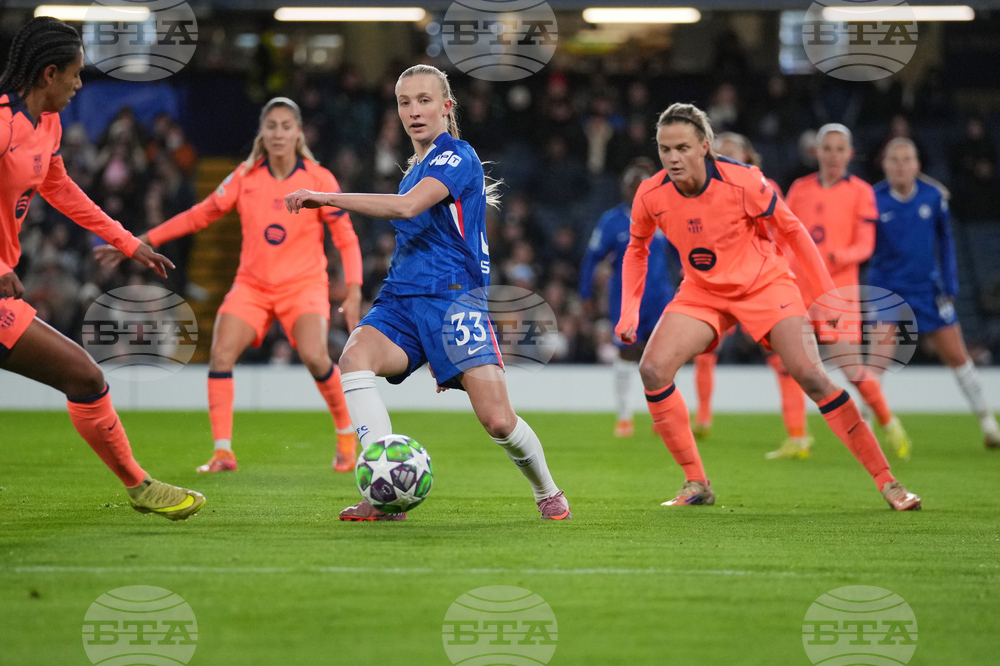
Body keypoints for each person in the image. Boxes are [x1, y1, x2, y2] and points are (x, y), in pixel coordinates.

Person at [286, 64, 571, 522]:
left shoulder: (458, 157)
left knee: (498, 421)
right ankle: (385, 494)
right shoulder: (412, 170)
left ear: (446, 106)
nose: (414, 111)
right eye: (404, 102)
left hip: (453, 303)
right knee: (354, 359)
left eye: (424, 100)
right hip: (401, 300)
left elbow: (407, 207)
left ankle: (548, 491)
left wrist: (328, 197)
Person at [617, 103, 920, 511]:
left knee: (812, 377)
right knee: (652, 370)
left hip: (764, 285)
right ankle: (696, 483)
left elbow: (793, 232)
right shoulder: (651, 194)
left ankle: (889, 482)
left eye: (682, 148)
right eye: (664, 148)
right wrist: (629, 311)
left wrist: (827, 296)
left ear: (704, 147)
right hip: (703, 290)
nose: (672, 157)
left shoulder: (743, 182)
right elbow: (636, 250)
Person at [0, 17, 204, 520]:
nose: (78, 85)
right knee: (85, 377)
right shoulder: (2, 124)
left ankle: (139, 485)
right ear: (49, 73)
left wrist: (128, 242)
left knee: (85, 378)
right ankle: (139, 485)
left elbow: (62, 189)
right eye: (74, 74)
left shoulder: (46, 125)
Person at [97, 98, 363, 473]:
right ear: (262, 132)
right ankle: (223, 452)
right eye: (271, 126)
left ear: (298, 132)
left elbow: (346, 237)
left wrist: (353, 289)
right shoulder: (245, 177)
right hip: (251, 287)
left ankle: (345, 435)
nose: (278, 133)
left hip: (303, 285)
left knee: (316, 356)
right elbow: (201, 214)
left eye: (286, 125)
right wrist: (143, 240)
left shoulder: (320, 179)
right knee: (221, 355)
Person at [782, 124, 910, 460]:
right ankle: (797, 437)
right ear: (817, 152)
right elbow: (785, 236)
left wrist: (836, 256)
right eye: (828, 148)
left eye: (840, 149)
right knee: (787, 363)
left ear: (850, 154)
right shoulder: (799, 188)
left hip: (839, 294)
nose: (834, 155)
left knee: (852, 370)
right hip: (799, 289)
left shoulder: (861, 191)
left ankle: (888, 421)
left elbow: (865, 245)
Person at [871, 138, 1000, 448]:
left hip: (927, 290)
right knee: (878, 361)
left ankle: (988, 425)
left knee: (957, 356)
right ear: (885, 165)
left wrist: (951, 285)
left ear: (917, 165)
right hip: (888, 289)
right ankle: (862, 428)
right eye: (894, 159)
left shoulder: (933, 197)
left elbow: (946, 243)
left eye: (907, 159)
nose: (901, 165)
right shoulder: (873, 199)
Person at [689, 133, 812, 457]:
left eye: (733, 153)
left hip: (760, 286)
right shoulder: (708, 189)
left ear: (748, 156)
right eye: (721, 154)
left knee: (783, 361)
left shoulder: (763, 184)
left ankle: (798, 436)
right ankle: (702, 418)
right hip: (721, 285)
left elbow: (785, 232)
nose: (726, 159)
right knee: (703, 350)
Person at [579, 157, 675, 437]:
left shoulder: (665, 216)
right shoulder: (612, 220)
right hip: (625, 298)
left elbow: (681, 251)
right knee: (626, 352)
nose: (635, 190)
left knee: (661, 356)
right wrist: (586, 292)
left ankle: (663, 416)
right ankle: (624, 417)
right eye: (631, 185)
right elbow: (592, 258)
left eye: (641, 184)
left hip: (659, 295)